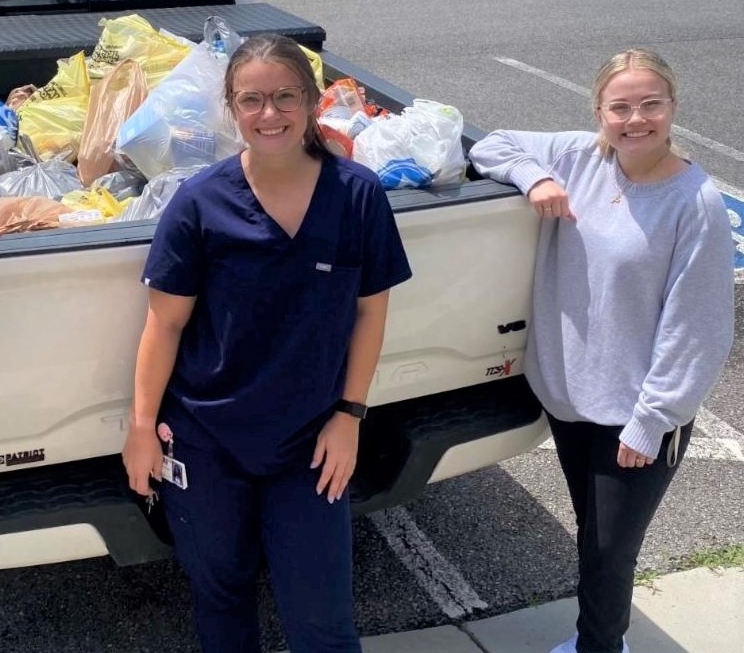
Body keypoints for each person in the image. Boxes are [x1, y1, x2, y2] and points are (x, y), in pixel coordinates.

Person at [121, 34, 412, 652]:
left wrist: (350, 415)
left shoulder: (356, 195)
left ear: (311, 102)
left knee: (323, 621)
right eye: (251, 100)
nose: (269, 114)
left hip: (309, 444)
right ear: (231, 107)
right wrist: (142, 427)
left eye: (285, 96)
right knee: (221, 603)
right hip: (205, 444)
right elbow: (164, 325)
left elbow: (370, 315)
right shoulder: (200, 202)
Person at [468, 48, 734, 653]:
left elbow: (697, 329)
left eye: (650, 105)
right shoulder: (578, 156)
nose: (635, 119)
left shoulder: (695, 203)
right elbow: (488, 143)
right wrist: (534, 177)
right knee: (593, 536)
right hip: (570, 401)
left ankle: (601, 647)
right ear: (599, 112)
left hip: (636, 416)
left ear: (673, 109)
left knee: (609, 553)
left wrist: (651, 421)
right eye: (620, 107)